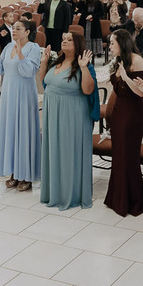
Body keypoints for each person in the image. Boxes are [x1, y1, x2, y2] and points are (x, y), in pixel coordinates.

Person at [38, 30, 98, 210]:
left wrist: (84, 68)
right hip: (52, 112)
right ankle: (54, 191)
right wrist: (43, 62)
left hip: (73, 114)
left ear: (77, 44)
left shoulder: (83, 65)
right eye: (63, 39)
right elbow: (44, 83)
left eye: (69, 40)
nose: (64, 41)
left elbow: (88, 90)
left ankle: (71, 193)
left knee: (68, 151)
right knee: (53, 149)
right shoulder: (56, 61)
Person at [0, 19, 43, 191]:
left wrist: (20, 55)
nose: (14, 30)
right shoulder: (7, 47)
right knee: (10, 131)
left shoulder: (33, 48)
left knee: (24, 131)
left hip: (24, 94)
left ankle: (26, 175)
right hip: (8, 94)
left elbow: (29, 71)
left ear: (27, 32)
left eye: (18, 28)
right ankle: (12, 171)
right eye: (13, 28)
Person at [104, 29, 143, 217]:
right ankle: (117, 198)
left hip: (133, 112)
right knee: (118, 154)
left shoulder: (137, 60)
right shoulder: (119, 60)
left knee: (128, 154)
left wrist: (125, 77)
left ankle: (133, 201)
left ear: (122, 43)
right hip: (120, 110)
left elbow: (140, 93)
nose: (110, 46)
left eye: (112, 43)